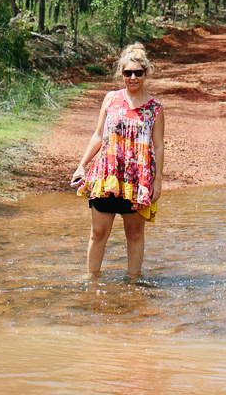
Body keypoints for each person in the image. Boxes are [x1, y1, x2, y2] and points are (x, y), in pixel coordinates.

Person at [70, 42, 165, 276]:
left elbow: (159, 146)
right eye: (127, 73)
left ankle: (133, 285)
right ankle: (91, 281)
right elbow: (98, 135)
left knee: (134, 235)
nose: (132, 77)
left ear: (146, 73)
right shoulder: (110, 99)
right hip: (106, 175)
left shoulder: (155, 108)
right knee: (98, 233)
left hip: (137, 180)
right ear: (121, 74)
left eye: (138, 73)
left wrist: (158, 181)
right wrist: (82, 165)